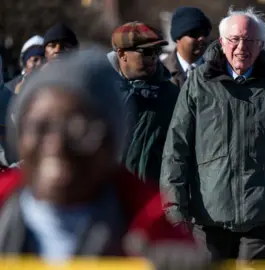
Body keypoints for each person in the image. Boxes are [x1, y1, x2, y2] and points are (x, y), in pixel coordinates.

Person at [0, 49, 208, 267]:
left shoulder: (162, 241)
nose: (57, 144)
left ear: (112, 141)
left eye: (78, 128)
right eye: (41, 127)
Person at [160, 7, 265, 261]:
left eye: (250, 41)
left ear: (261, 44)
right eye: (235, 39)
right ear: (221, 42)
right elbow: (176, 150)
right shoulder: (199, 82)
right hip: (207, 217)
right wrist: (175, 209)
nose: (242, 47)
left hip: (260, 217)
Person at [107, 21, 179, 184]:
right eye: (146, 51)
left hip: (153, 197)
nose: (153, 57)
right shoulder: (102, 94)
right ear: (122, 54)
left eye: (156, 50)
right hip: (109, 198)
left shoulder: (170, 95)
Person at [162, 7, 212, 89]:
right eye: (194, 34)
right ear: (178, 38)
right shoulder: (160, 71)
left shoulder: (218, 70)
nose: (202, 38)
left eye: (205, 33)